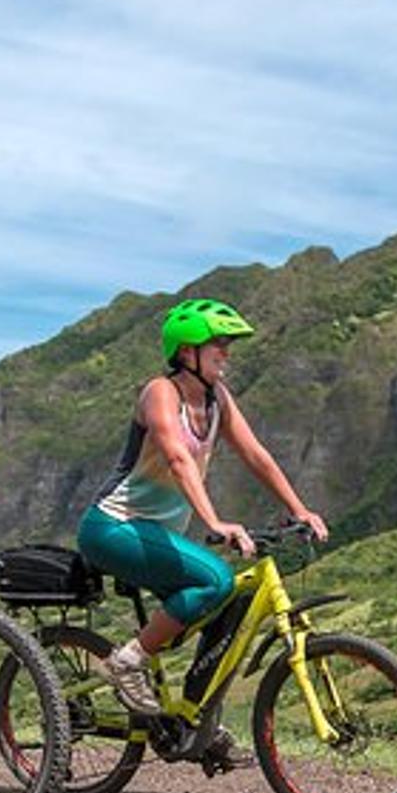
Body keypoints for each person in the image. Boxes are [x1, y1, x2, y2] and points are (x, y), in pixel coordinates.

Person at [77, 298, 328, 731]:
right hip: (113, 527)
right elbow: (177, 457)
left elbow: (256, 455)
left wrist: (299, 509)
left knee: (228, 602)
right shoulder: (161, 392)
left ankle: (196, 719)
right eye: (218, 344)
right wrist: (214, 523)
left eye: (227, 344)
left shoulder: (218, 400)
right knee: (215, 580)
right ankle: (127, 661)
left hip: (155, 533)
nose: (226, 353)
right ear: (187, 351)